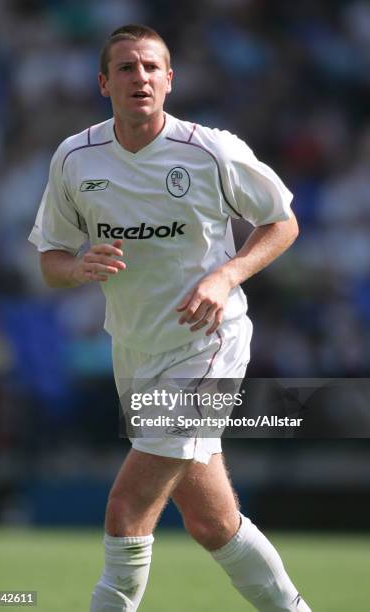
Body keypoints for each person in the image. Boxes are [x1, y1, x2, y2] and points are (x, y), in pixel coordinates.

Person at [29, 24, 311, 612]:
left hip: (209, 342)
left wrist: (225, 274)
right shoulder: (76, 158)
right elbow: (50, 259)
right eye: (127, 69)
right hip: (134, 349)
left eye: (152, 68)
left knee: (126, 508)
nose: (141, 78)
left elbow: (282, 221)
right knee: (212, 522)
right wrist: (79, 266)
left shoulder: (210, 150)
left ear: (170, 80)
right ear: (105, 83)